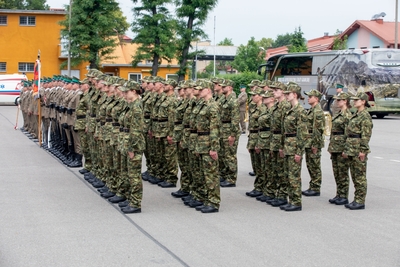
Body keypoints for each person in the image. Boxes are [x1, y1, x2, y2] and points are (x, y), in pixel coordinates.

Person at [342, 92, 373, 210]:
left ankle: (360, 200)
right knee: (354, 175)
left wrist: (363, 150)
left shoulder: (365, 116)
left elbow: (366, 135)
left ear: (363, 102)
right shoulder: (356, 114)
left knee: (360, 176)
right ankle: (356, 199)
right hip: (351, 148)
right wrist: (346, 149)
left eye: (357, 100)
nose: (354, 102)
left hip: (358, 149)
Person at [194, 79, 221, 213]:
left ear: (208, 90)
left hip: (208, 143)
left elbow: (215, 129)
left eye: (201, 89)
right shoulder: (203, 105)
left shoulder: (213, 106)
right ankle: (206, 199)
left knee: (211, 175)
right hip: (201, 143)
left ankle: (213, 202)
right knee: (203, 174)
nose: (199, 91)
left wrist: (214, 148)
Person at [281, 83, 307, 212]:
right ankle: (291, 199)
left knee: (294, 176)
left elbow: (302, 133)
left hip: (294, 146)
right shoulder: (289, 110)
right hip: (288, 146)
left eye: (288, 94)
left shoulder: (300, 111)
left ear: (295, 95)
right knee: (288, 175)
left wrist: (299, 152)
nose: (286, 96)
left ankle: (296, 202)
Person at [327, 92, 352, 205]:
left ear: (345, 101)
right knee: (336, 172)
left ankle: (344, 195)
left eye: (339, 100)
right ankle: (339, 194)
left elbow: (348, 134)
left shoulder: (347, 115)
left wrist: (346, 149)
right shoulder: (338, 114)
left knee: (342, 173)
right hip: (335, 146)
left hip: (341, 147)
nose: (337, 102)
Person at [302, 89, 325, 197]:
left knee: (314, 165)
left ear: (316, 98)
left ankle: (316, 187)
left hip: (313, 141)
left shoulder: (317, 111)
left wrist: (315, 144)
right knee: (310, 164)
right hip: (309, 140)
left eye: (310, 97)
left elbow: (318, 129)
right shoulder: (312, 110)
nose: (308, 98)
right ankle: (313, 185)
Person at [245, 87, 266, 198]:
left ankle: (261, 187)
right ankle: (258, 186)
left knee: (260, 165)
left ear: (261, 96)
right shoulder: (254, 108)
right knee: (255, 165)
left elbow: (262, 128)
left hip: (259, 138)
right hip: (252, 137)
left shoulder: (263, 109)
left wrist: (258, 142)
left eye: (255, 95)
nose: (253, 97)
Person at [219, 79, 240, 187]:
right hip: (222, 129)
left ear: (230, 88)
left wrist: (233, 135)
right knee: (222, 155)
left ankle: (231, 179)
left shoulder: (233, 101)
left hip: (229, 130)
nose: (222, 88)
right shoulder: (223, 99)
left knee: (230, 155)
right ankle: (224, 175)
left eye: (224, 86)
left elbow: (235, 119)